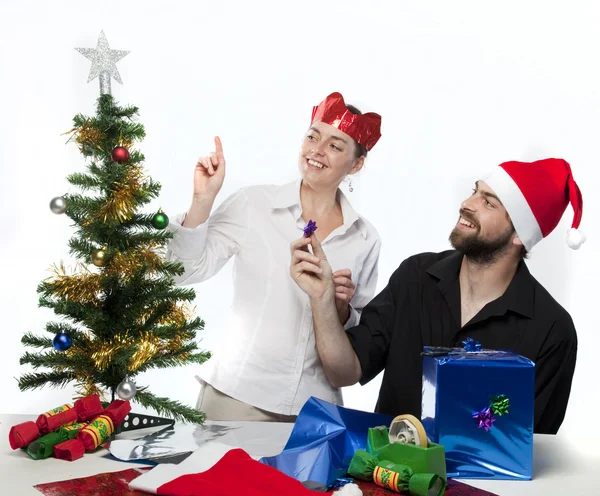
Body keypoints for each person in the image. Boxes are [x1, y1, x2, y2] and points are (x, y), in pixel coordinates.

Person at [291, 158, 584, 434]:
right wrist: (322, 298)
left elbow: (531, 442)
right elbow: (345, 371)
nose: (467, 204)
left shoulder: (552, 331)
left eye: (488, 202)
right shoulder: (415, 276)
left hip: (482, 486)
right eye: (475, 192)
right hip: (389, 478)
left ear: (520, 233)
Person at [166, 92, 383, 422]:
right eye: (313, 136)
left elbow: (357, 335)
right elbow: (181, 271)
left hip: (315, 410)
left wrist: (339, 309)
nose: (317, 150)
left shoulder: (364, 239)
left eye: (335, 145)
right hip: (236, 397)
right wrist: (201, 201)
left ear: (356, 164)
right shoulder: (253, 204)